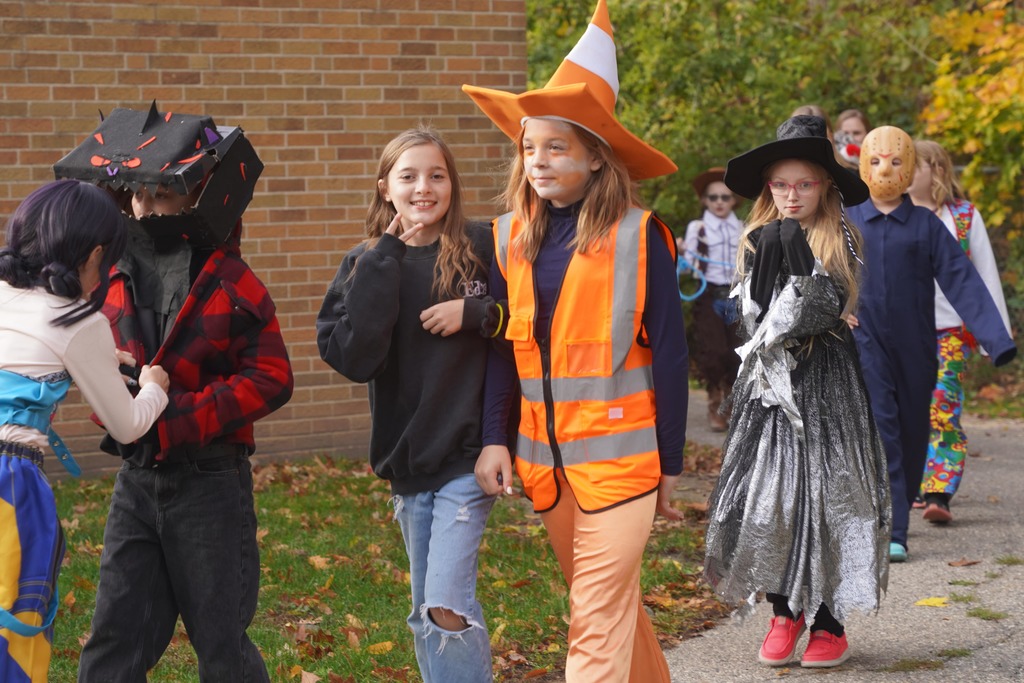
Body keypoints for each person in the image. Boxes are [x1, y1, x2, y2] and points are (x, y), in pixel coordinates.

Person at [463, 1, 688, 680]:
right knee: (612, 608)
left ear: (596, 156)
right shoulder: (507, 237)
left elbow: (671, 355)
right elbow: (506, 347)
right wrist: (494, 436)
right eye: (529, 147)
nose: (538, 160)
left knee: (593, 619)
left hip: (625, 462)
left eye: (556, 146)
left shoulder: (639, 235)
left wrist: (670, 462)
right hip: (545, 465)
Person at [53, 103, 294, 682]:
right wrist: (117, 406)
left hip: (211, 482)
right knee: (115, 635)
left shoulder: (234, 283)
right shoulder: (110, 277)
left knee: (220, 642)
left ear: (197, 195)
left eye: (162, 194)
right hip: (136, 481)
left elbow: (272, 377)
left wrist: (179, 415)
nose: (146, 207)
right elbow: (95, 365)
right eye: (137, 194)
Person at [703, 115, 890, 670]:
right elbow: (752, 325)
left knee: (832, 498)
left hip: (829, 390)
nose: (791, 195)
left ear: (825, 186)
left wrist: (801, 263)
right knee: (772, 499)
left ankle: (829, 623)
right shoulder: (754, 239)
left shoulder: (843, 237)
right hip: (770, 396)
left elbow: (823, 310)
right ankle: (784, 612)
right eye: (780, 184)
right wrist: (765, 273)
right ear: (767, 188)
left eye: (803, 184)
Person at [316, 127, 501, 683]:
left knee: (445, 604)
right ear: (385, 189)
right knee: (429, 611)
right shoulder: (366, 262)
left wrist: (475, 314)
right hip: (407, 458)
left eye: (437, 175)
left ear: (452, 183)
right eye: (409, 176)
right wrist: (385, 258)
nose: (425, 187)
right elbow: (354, 358)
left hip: (467, 454)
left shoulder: (482, 246)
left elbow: (523, 326)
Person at [0, 179, 169, 683]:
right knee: (15, 619)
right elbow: (128, 423)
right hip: (11, 486)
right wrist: (154, 387)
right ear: (94, 253)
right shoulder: (80, 320)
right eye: (108, 260)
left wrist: (81, 366)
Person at [847, 125, 1016, 563]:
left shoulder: (924, 225)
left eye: (897, 161)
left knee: (913, 432)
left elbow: (963, 281)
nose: (886, 168)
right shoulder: (849, 220)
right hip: (865, 341)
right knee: (883, 427)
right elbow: (823, 272)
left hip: (916, 344)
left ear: (909, 168)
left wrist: (996, 340)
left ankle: (899, 507)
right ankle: (892, 528)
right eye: (878, 160)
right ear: (864, 165)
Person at [906, 139, 1012, 523]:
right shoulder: (891, 215)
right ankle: (912, 482)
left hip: (950, 331)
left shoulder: (964, 217)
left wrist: (994, 337)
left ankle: (939, 491)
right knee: (904, 409)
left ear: (935, 169)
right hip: (901, 330)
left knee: (942, 407)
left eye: (910, 164)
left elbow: (984, 276)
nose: (899, 172)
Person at [681, 167, 742, 431]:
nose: (719, 202)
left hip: (736, 294)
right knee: (713, 350)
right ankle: (713, 400)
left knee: (736, 352)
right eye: (714, 197)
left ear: (734, 201)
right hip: (708, 293)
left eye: (725, 198)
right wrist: (679, 251)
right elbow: (688, 266)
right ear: (705, 200)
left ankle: (728, 401)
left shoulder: (742, 227)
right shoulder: (699, 227)